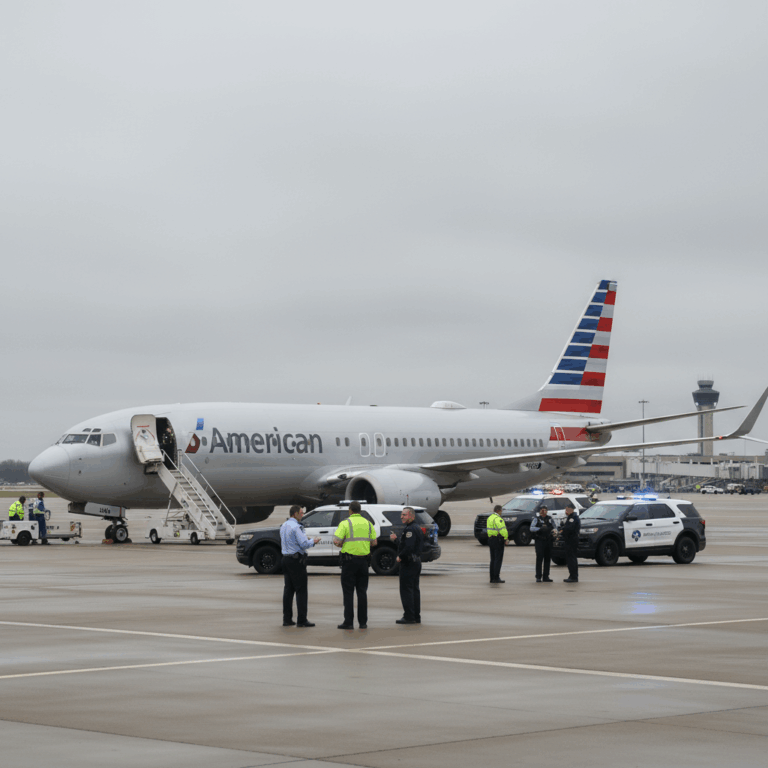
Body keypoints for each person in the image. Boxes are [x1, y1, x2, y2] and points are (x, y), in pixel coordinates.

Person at [333, 501, 377, 629]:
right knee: (362, 592)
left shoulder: (345, 523)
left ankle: (348, 622)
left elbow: (336, 541)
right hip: (363, 562)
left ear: (350, 510)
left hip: (349, 562)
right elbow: (374, 543)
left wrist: (343, 544)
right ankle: (363, 623)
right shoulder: (368, 524)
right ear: (360, 510)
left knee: (348, 593)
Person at [279, 505, 321, 627]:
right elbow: (304, 544)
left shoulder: (284, 525)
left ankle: (287, 619)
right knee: (301, 590)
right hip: (296, 561)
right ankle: (302, 620)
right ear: (295, 514)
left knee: (288, 590)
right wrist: (313, 541)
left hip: (286, 559)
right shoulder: (296, 527)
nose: (302, 515)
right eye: (301, 513)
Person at [389, 506, 423, 625]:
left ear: (411, 516)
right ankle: (416, 616)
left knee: (406, 590)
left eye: (404, 515)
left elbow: (408, 547)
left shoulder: (410, 529)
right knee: (414, 590)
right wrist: (396, 540)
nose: (401, 517)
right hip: (415, 561)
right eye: (401, 514)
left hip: (409, 563)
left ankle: (409, 616)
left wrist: (401, 556)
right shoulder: (415, 527)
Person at [530, 504, 556, 582]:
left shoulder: (550, 519)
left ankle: (546, 576)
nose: (543, 511)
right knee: (539, 559)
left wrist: (553, 532)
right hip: (540, 541)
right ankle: (538, 576)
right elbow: (531, 528)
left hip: (548, 541)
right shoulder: (536, 519)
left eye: (545, 510)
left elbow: (555, 528)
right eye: (542, 510)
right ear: (540, 511)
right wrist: (540, 528)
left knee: (547, 559)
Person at [486, 504, 509, 583]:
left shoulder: (490, 518)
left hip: (491, 539)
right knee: (498, 559)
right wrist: (506, 538)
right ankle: (496, 577)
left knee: (492, 559)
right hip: (498, 540)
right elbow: (502, 530)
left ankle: (492, 578)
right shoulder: (498, 519)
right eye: (501, 511)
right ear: (499, 511)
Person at [561, 502, 581, 583]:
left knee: (571, 559)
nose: (566, 511)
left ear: (571, 509)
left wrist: (562, 531)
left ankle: (574, 576)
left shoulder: (573, 518)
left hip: (571, 541)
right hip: (569, 540)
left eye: (567, 509)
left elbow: (570, 529)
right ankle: (572, 575)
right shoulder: (570, 517)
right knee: (570, 559)